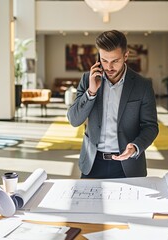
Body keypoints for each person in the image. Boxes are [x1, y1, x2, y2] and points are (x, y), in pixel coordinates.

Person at [67, 30, 159, 178]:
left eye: (115, 61)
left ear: (126, 56)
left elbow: (150, 126)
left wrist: (135, 147)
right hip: (92, 164)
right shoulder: (87, 79)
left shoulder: (143, 85)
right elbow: (74, 120)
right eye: (104, 60)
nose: (109, 67)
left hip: (129, 165)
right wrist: (91, 92)